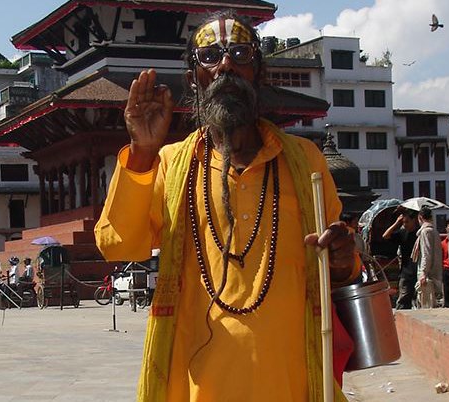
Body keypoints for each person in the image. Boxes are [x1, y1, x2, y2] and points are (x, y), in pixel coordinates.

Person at [95, 12, 358, 401]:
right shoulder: (170, 163)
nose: (226, 66)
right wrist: (141, 152)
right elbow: (117, 245)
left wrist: (342, 256)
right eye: (210, 56)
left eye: (239, 53)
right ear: (193, 78)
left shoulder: (306, 161)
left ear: (258, 71)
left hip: (290, 381)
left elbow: (341, 265)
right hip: (201, 386)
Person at [383, 209, 419, 309]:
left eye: (407, 221)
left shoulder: (420, 233)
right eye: (403, 222)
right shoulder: (402, 233)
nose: (405, 224)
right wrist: (397, 223)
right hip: (406, 272)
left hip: (419, 270)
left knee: (418, 301)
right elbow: (385, 236)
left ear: (414, 220)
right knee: (404, 298)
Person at [411, 207, 443, 309]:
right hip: (435, 271)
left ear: (420, 217)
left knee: (427, 304)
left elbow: (426, 253)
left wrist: (423, 272)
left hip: (428, 274)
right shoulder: (434, 231)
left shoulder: (426, 232)